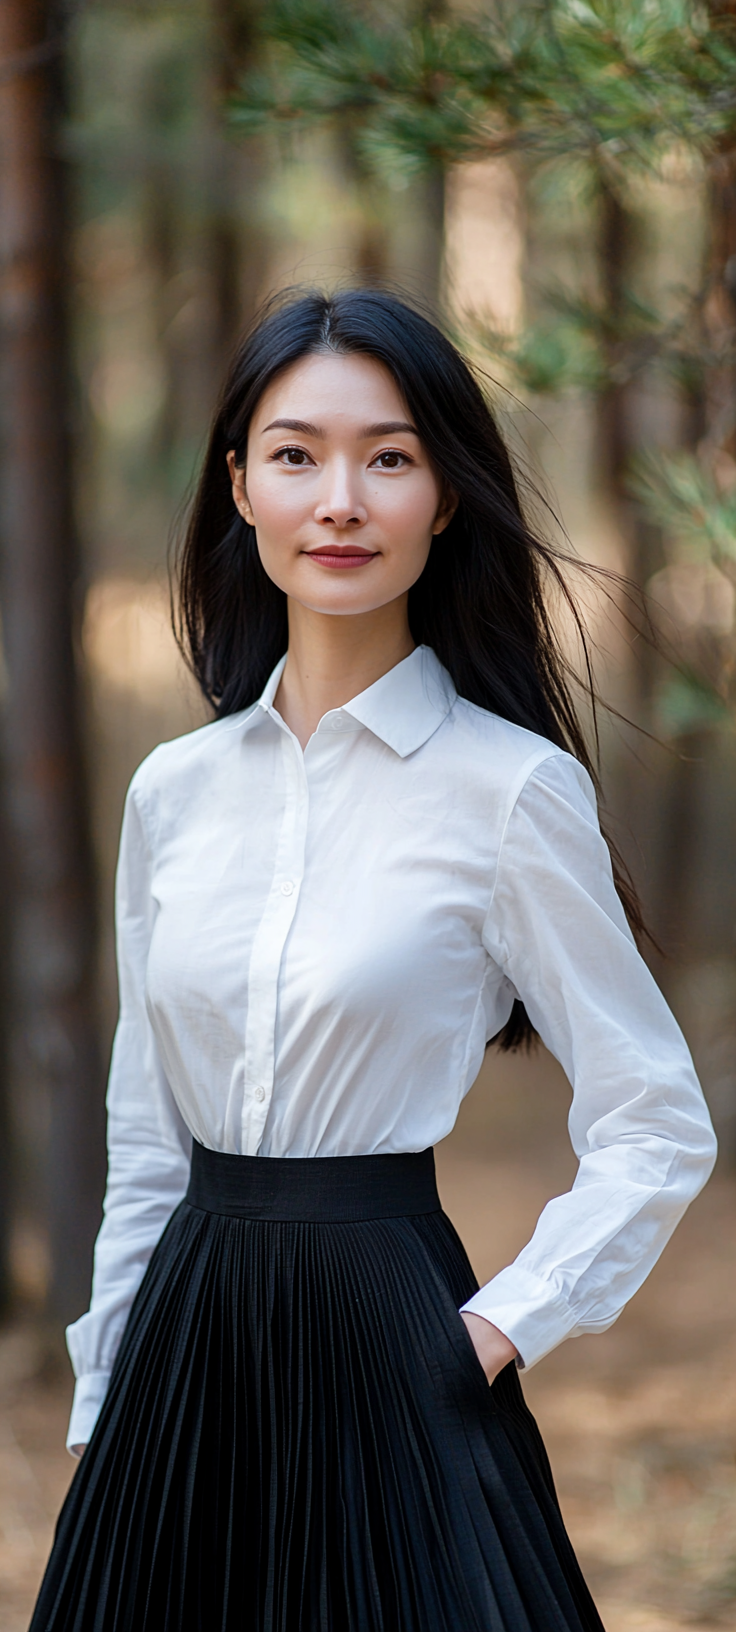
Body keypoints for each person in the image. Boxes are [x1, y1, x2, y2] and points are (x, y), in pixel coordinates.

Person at [31, 288, 716, 1632]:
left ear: (445, 498)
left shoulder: (511, 792)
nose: (339, 499)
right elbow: (147, 1137)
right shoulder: (173, 792)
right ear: (238, 485)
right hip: (183, 1359)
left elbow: (656, 1122)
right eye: (296, 455)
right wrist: (107, 1398)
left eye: (389, 457)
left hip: (400, 1347)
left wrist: (495, 1327)